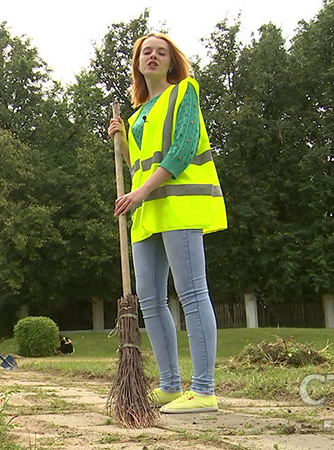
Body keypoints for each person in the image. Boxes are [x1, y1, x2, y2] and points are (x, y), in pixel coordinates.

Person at [107, 33, 227, 414]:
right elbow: (136, 168)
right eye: (146, 52)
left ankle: (204, 390)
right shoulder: (138, 114)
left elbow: (183, 148)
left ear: (172, 62)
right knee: (152, 301)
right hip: (147, 211)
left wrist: (139, 194)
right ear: (138, 63)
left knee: (192, 294)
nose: (153, 56)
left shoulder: (183, 92)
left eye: (161, 52)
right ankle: (172, 386)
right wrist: (123, 142)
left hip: (178, 206)